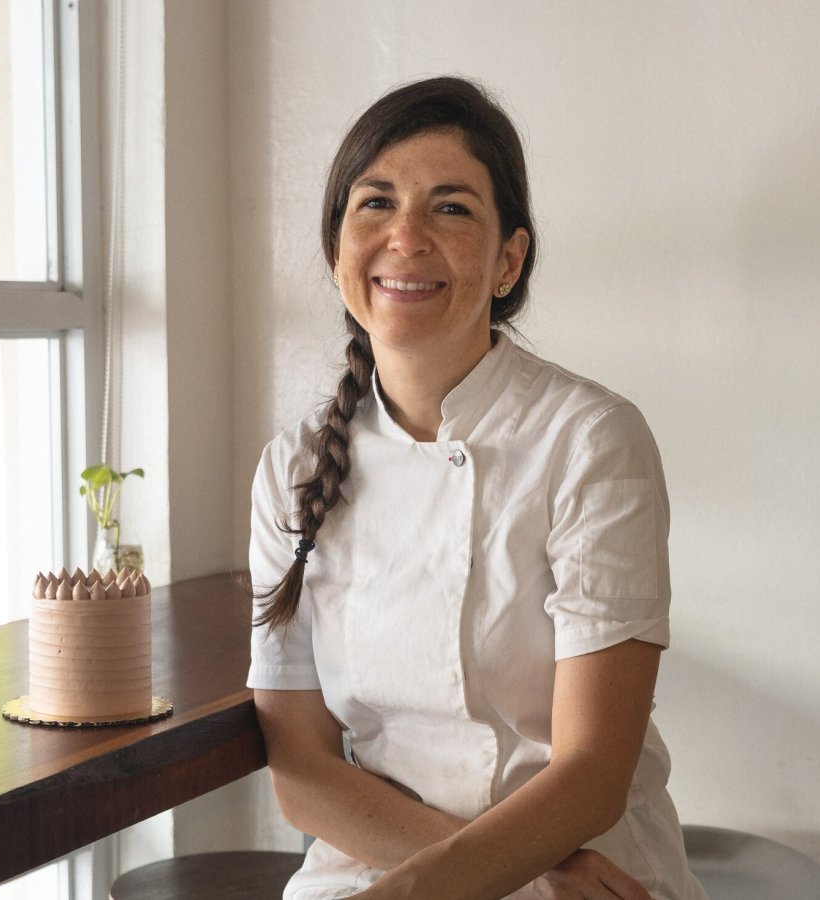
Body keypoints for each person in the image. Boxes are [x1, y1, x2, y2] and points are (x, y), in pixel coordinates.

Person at [246, 76, 707, 900]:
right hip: (417, 868)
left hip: (595, 868)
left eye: (451, 209)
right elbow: (303, 773)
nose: (406, 237)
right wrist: (496, 881)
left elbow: (596, 769)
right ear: (336, 249)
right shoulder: (293, 471)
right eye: (375, 204)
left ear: (509, 260)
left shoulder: (591, 441)